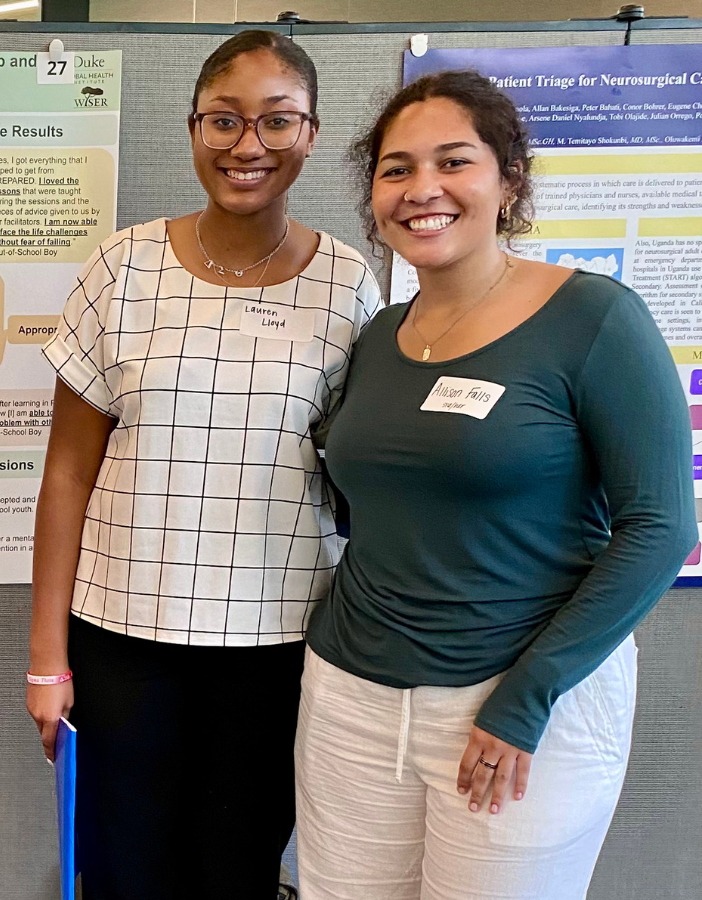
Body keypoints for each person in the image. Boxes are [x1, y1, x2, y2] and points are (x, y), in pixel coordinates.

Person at [294, 70, 696, 900]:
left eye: (454, 162)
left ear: (509, 180)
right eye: (396, 169)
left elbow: (660, 527)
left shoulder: (595, 321)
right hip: (352, 700)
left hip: (516, 707)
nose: (422, 190)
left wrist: (527, 696)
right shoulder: (377, 338)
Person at [26, 30, 382, 900]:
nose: (247, 145)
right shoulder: (122, 267)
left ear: (310, 133)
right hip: (123, 635)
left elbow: (364, 477)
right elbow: (68, 472)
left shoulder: (350, 282)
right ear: (193, 128)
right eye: (224, 120)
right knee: (123, 869)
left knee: (239, 869)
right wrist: (45, 658)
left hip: (281, 640)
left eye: (276, 122)